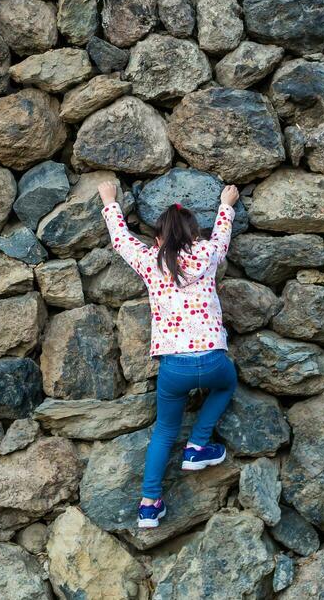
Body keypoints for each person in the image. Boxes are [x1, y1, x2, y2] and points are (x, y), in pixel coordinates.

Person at [98, 180, 239, 530]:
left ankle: (149, 504)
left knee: (164, 430)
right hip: (213, 359)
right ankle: (197, 446)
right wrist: (227, 204)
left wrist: (110, 201)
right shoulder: (206, 254)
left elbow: (121, 241)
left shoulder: (150, 262)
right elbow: (222, 236)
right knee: (226, 385)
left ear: (158, 240)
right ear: (194, 236)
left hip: (174, 366)